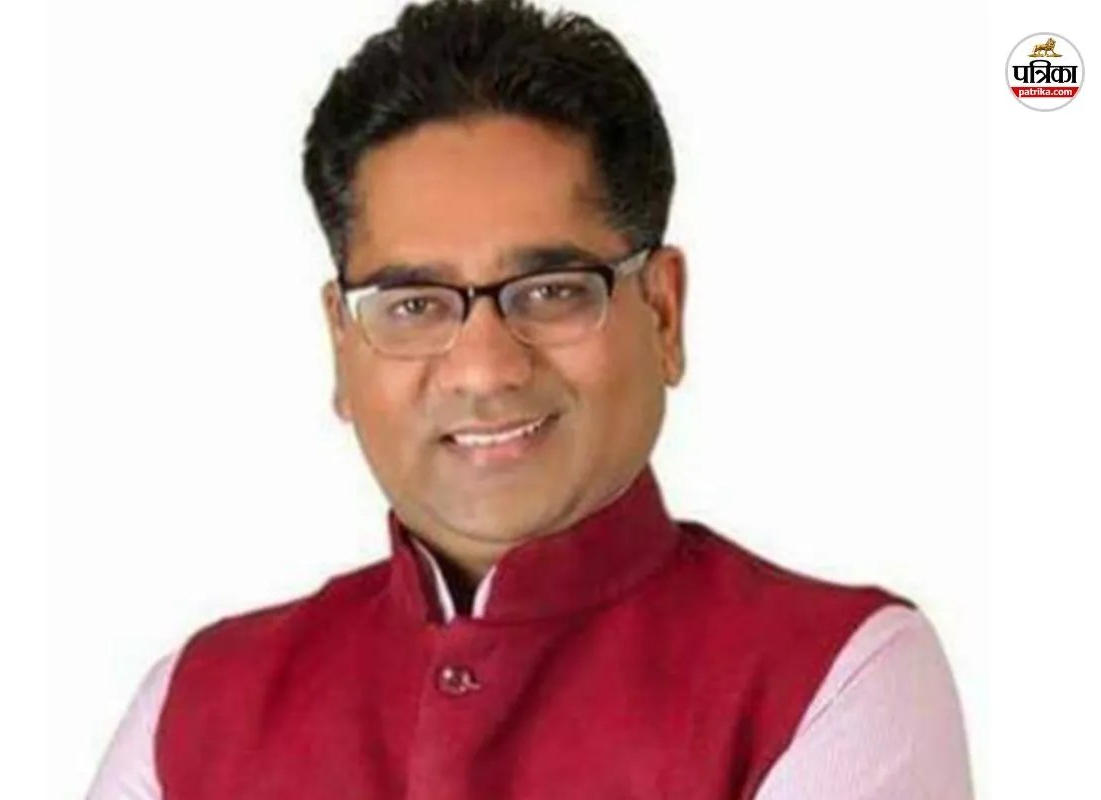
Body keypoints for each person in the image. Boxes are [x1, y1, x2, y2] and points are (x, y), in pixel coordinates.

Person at [87, 0, 973, 797]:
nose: (483, 369)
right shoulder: (191, 710)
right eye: (414, 304)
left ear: (663, 313)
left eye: (551, 290)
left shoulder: (838, 678)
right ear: (341, 343)